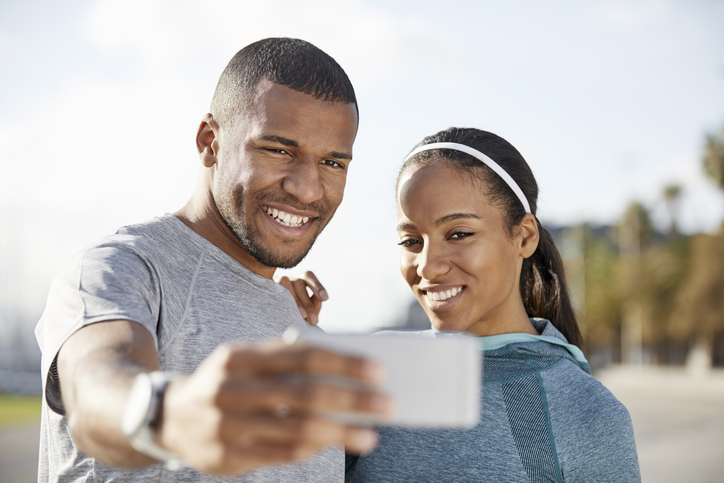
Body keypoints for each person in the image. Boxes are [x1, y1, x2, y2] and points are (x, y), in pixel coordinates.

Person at [34, 37, 393, 482]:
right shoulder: (119, 268)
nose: (307, 187)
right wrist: (169, 414)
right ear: (210, 142)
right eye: (278, 150)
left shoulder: (295, 321)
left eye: (333, 163)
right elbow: (93, 389)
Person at [286, 127, 641, 482]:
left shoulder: (588, 414)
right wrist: (286, 332)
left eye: (458, 234)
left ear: (525, 236)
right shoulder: (369, 373)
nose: (427, 264)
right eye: (411, 240)